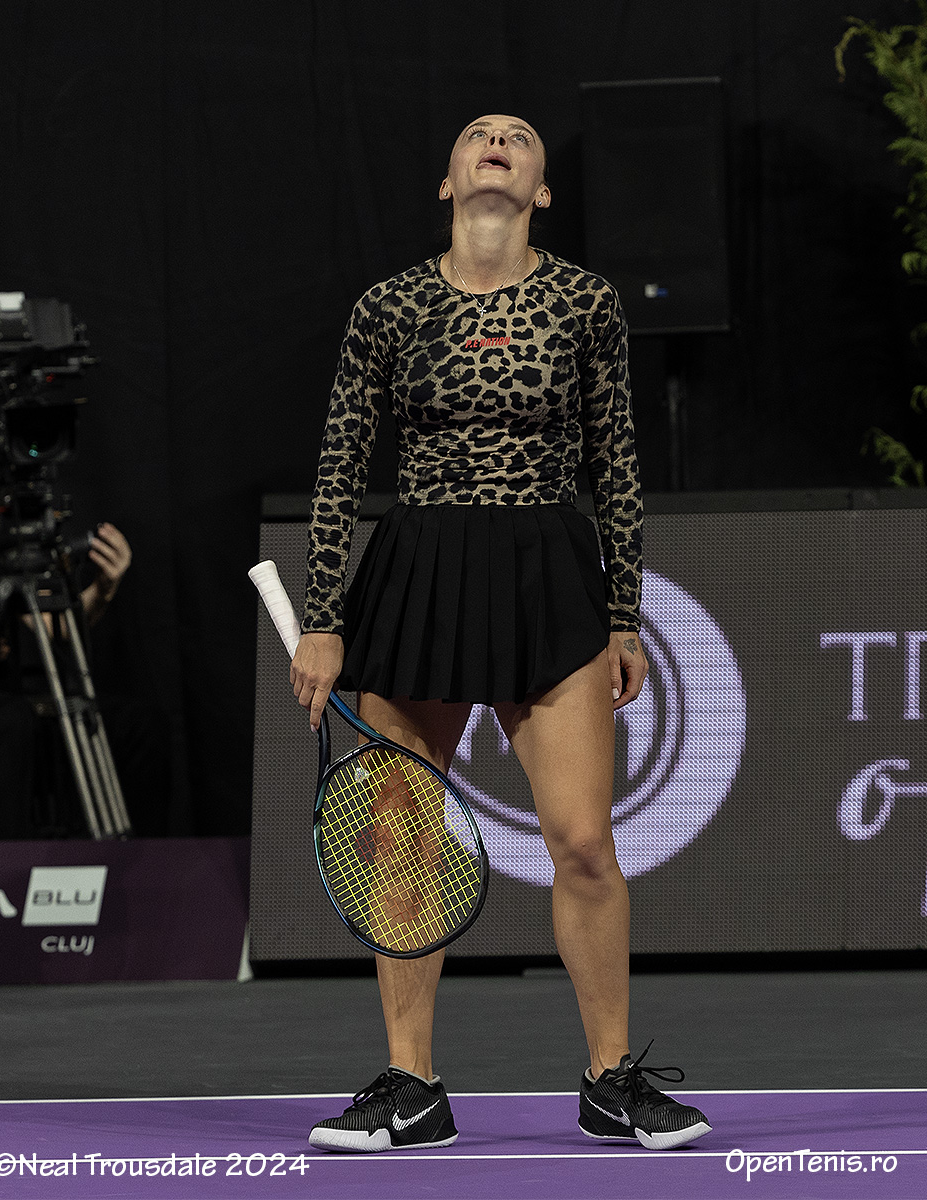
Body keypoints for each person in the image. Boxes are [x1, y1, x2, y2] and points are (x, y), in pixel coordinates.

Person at [289, 114, 712, 1153]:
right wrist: (324, 619)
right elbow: (340, 464)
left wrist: (622, 614)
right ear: (447, 182)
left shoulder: (585, 301)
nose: (496, 141)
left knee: (584, 842)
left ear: (541, 189)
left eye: (518, 137)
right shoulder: (387, 306)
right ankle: (411, 1085)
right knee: (402, 836)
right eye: (477, 135)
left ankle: (610, 1080)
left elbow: (616, 463)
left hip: (544, 574)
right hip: (419, 572)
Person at [0, 406, 166, 838]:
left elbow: (51, 626)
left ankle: (142, 866)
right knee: (9, 725)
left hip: (3, 687)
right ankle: (7, 870)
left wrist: (103, 588)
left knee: (139, 725)